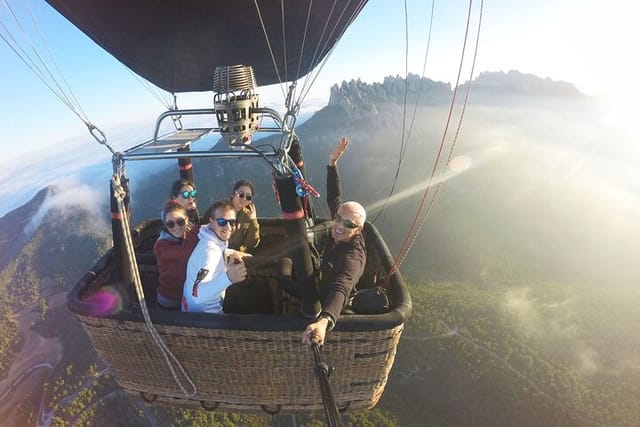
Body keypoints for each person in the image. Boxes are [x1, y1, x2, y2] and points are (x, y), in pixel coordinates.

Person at [302, 137, 367, 346]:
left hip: (329, 301)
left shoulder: (353, 256)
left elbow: (343, 285)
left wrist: (324, 321)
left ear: (358, 230)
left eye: (348, 224)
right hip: (324, 279)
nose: (339, 225)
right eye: (337, 218)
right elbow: (335, 198)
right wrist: (332, 163)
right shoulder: (341, 224)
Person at [182, 199, 250, 313]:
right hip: (204, 320)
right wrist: (229, 278)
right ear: (212, 221)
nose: (228, 227)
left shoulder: (209, 239)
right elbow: (197, 295)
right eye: (222, 222)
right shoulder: (210, 253)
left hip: (191, 310)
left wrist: (229, 252)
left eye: (232, 222)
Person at [153, 200, 200, 310]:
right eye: (170, 224)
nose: (176, 227)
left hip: (188, 296)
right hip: (169, 300)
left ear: (187, 220)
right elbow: (184, 253)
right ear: (165, 225)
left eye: (180, 222)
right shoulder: (160, 245)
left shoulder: (187, 235)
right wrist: (198, 229)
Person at [228, 179, 260, 252]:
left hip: (239, 255)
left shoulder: (249, 215)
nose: (244, 199)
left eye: (248, 197)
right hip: (219, 253)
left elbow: (251, 244)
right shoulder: (219, 210)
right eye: (241, 195)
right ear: (233, 194)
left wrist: (253, 221)